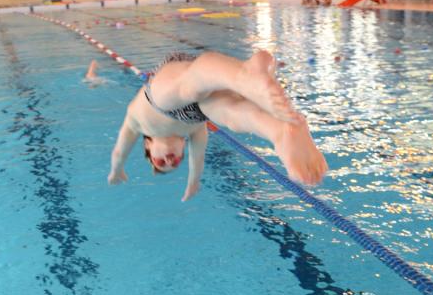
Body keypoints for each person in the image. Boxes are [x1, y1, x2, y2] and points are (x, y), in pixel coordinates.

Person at [108, 50, 328, 201]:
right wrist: (193, 182)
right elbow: (198, 158)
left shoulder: (138, 123)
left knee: (185, 90)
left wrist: (116, 171)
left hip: (165, 88)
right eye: (174, 162)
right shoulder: (195, 130)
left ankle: (243, 75)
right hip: (196, 111)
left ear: (148, 146)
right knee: (231, 115)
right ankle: (280, 130)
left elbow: (120, 150)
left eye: (160, 161)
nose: (169, 159)